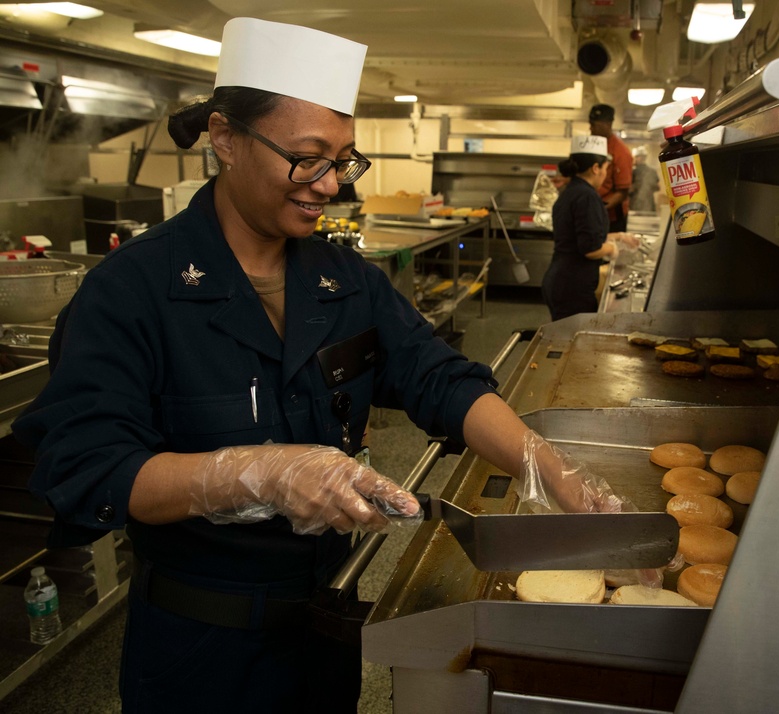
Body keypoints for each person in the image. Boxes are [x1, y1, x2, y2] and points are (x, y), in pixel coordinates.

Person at [11, 18, 632, 714]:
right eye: (308, 158)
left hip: (326, 632)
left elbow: (438, 376)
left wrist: (550, 469)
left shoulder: (344, 280)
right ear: (224, 139)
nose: (332, 185)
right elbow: (87, 467)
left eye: (344, 159)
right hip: (199, 653)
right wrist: (251, 473)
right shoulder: (133, 291)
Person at [542, 135, 638, 321]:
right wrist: (612, 249)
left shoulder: (571, 191)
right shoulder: (587, 197)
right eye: (604, 169)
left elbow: (581, 236)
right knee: (572, 342)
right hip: (573, 286)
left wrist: (618, 236)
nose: (604, 174)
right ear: (595, 168)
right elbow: (590, 249)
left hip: (561, 279)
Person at [588, 103, 633, 232]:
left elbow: (622, 192)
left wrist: (598, 208)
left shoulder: (621, 152)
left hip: (611, 218)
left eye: (595, 125)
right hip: (591, 213)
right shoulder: (591, 145)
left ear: (608, 124)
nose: (591, 129)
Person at [629, 145, 660, 213]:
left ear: (639, 158)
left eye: (635, 158)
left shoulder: (633, 172)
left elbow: (629, 189)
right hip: (650, 207)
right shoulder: (652, 171)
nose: (634, 160)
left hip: (635, 207)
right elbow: (658, 187)